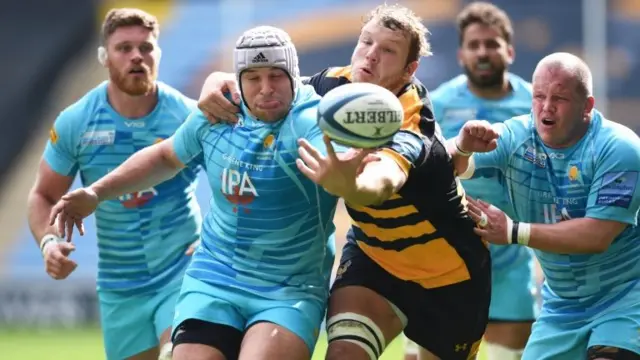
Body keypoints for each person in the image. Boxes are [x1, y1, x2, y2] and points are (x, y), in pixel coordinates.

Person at [48, 25, 365, 360]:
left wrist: (344, 174)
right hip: (215, 277)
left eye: (276, 75)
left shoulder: (312, 119)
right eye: (254, 78)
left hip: (288, 289)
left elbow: (338, 164)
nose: (266, 88)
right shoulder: (218, 114)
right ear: (239, 81)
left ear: (294, 76)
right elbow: (166, 156)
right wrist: (96, 193)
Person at [26, 8, 200, 360]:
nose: (137, 56)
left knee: (181, 353)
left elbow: (233, 179)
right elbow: (44, 194)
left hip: (182, 271)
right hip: (120, 285)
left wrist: (215, 240)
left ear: (158, 55)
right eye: (124, 48)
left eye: (146, 48)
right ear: (104, 58)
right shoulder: (77, 121)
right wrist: (48, 242)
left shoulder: (186, 116)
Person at [457, 52, 640, 360]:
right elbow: (449, 161)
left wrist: (514, 232)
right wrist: (461, 145)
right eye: (539, 96)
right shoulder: (517, 136)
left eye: (560, 98)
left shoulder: (619, 148)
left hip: (628, 296)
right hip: (562, 306)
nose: (546, 107)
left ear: (587, 107)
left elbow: (597, 236)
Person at [296, 116, 497, 360]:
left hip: (450, 271)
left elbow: (385, 179)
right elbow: (290, 91)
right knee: (344, 354)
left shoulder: (414, 117)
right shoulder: (335, 83)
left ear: (409, 74)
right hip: (374, 255)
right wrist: (238, 91)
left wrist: (352, 187)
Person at [411, 3, 535, 360]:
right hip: (447, 251)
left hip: (512, 255)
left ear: (509, 51)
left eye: (492, 44)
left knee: (507, 353)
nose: (483, 52)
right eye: (474, 44)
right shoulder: (438, 103)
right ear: (461, 53)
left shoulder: (534, 105)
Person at [196, 4, 435, 137]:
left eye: (388, 51)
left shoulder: (413, 112)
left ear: (409, 70)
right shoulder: (336, 80)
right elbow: (280, 88)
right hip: (367, 228)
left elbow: (380, 183)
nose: (371, 54)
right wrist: (220, 79)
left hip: (433, 227)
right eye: (366, 41)